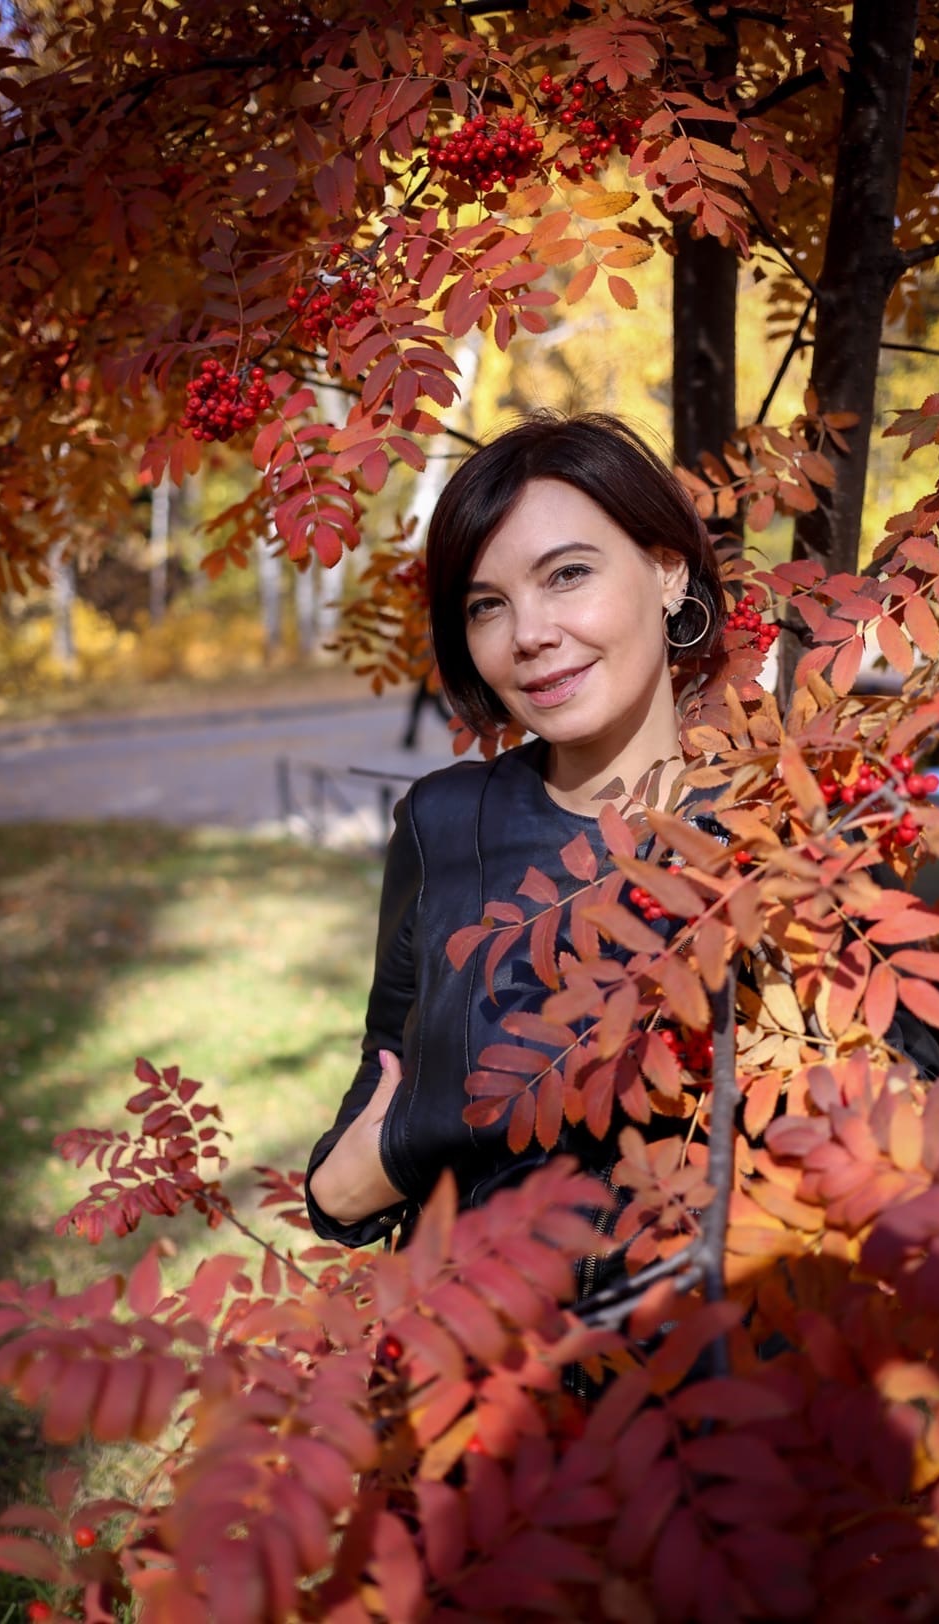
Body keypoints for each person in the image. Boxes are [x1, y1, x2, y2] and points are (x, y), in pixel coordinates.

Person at [304, 412, 728, 1254]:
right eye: (487, 606)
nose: (528, 634)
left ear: (668, 572)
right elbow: (387, 1066)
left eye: (567, 574)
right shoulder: (443, 822)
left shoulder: (777, 832)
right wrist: (348, 1185)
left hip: (699, 1327)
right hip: (462, 1321)